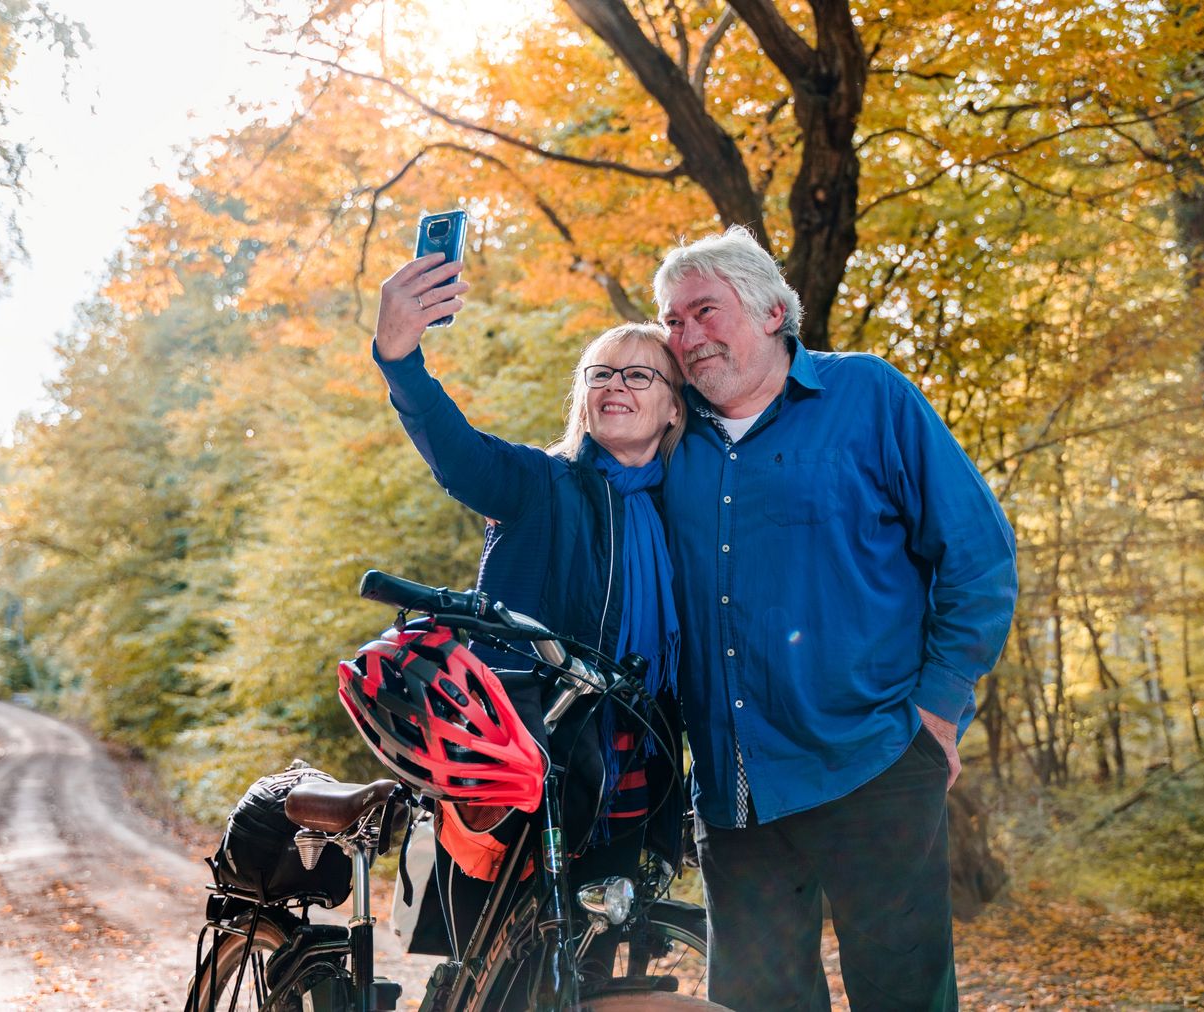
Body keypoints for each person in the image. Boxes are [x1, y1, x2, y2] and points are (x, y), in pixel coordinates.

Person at [654, 226, 1019, 1011]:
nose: (686, 335)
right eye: (673, 322)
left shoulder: (869, 395)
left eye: (704, 311)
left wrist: (939, 708)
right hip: (734, 788)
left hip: (875, 763)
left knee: (903, 1000)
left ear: (773, 312)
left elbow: (978, 555)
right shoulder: (667, 432)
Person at [370, 251, 687, 958]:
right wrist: (401, 360)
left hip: (632, 772)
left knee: (596, 969)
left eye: (639, 374)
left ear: (673, 407)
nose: (615, 386)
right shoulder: (540, 484)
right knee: (495, 968)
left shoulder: (689, 514)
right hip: (521, 762)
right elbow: (459, 455)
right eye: (600, 373)